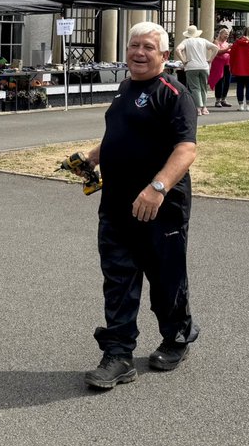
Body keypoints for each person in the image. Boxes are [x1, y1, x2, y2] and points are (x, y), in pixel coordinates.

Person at [81, 22, 198, 389]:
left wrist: (158, 187)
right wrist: (93, 156)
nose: (139, 53)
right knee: (118, 280)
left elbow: (186, 149)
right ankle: (118, 355)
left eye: (148, 47)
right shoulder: (125, 88)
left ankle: (176, 339)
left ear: (164, 55)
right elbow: (120, 132)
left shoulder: (174, 94)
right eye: (134, 45)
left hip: (160, 207)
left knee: (166, 279)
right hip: (116, 204)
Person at [174, 25, 217, 116]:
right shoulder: (203, 41)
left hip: (191, 67)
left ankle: (198, 108)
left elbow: (178, 50)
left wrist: (184, 61)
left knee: (194, 88)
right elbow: (216, 48)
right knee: (203, 87)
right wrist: (210, 59)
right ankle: (204, 107)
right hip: (204, 66)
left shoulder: (186, 41)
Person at [208, 27, 232, 108]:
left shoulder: (227, 43)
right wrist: (228, 49)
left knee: (227, 82)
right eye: (225, 34)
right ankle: (218, 100)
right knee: (219, 81)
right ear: (221, 34)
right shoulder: (216, 42)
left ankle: (224, 99)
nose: (226, 36)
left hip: (227, 64)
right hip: (218, 65)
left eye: (228, 34)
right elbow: (218, 52)